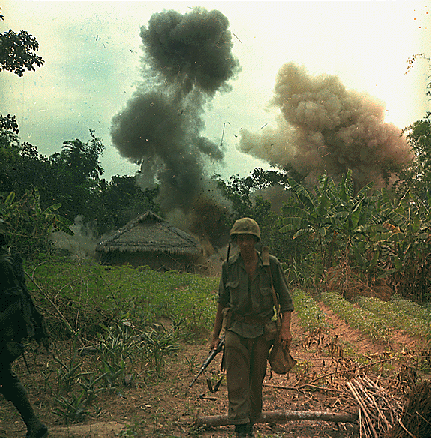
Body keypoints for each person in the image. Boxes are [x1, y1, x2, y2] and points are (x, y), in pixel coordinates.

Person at [210, 218, 294, 437]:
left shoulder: (271, 265)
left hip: (261, 333)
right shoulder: (229, 266)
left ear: (256, 241)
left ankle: (251, 423)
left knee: (256, 381)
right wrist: (215, 335)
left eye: (249, 239)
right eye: (241, 239)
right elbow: (222, 302)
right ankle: (241, 428)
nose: (245, 243)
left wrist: (285, 330)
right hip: (236, 331)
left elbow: (286, 301)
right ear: (235, 241)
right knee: (236, 382)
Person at [0, 218, 49, 438]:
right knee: (6, 378)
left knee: (6, 378)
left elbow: (16, 301)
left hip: (5, 332)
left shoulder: (3, 264)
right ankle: (34, 425)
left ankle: (35, 425)